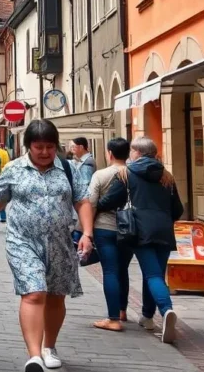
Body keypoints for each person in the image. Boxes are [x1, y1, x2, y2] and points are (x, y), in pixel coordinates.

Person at [0, 119, 95, 372]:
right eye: (38, 147)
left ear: (56, 146)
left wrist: (87, 233)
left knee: (55, 296)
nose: (44, 152)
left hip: (60, 243)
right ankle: (34, 356)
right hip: (22, 241)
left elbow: (83, 201)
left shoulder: (67, 168)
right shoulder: (13, 169)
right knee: (34, 292)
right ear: (28, 146)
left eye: (49, 147)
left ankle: (49, 346)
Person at [97, 136, 184, 344]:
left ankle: (166, 310)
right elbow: (178, 209)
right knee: (155, 274)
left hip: (140, 230)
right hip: (163, 229)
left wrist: (95, 206)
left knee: (152, 274)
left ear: (136, 152)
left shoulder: (126, 174)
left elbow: (110, 200)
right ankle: (147, 316)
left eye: (132, 152)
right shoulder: (167, 176)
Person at [88, 137, 133, 332]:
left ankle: (113, 318)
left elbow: (91, 202)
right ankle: (122, 310)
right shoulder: (134, 173)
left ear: (110, 154)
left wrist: (87, 231)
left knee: (111, 271)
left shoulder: (101, 175)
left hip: (105, 228)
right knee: (123, 269)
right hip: (131, 228)